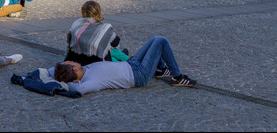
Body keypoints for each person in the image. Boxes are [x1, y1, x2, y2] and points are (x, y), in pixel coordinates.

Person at [54, 35, 196, 92]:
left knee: (155, 39)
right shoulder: (91, 81)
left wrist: (61, 74)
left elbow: (50, 71)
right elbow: (77, 90)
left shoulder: (85, 69)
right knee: (161, 41)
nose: (72, 59)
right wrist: (63, 83)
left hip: (131, 64)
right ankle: (177, 77)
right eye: (71, 62)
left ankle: (160, 70)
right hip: (138, 74)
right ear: (74, 69)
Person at [66, 1, 122, 65]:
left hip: (76, 61)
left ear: (83, 12)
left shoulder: (76, 24)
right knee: (109, 49)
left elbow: (69, 40)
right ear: (98, 12)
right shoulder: (105, 29)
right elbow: (115, 42)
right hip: (97, 64)